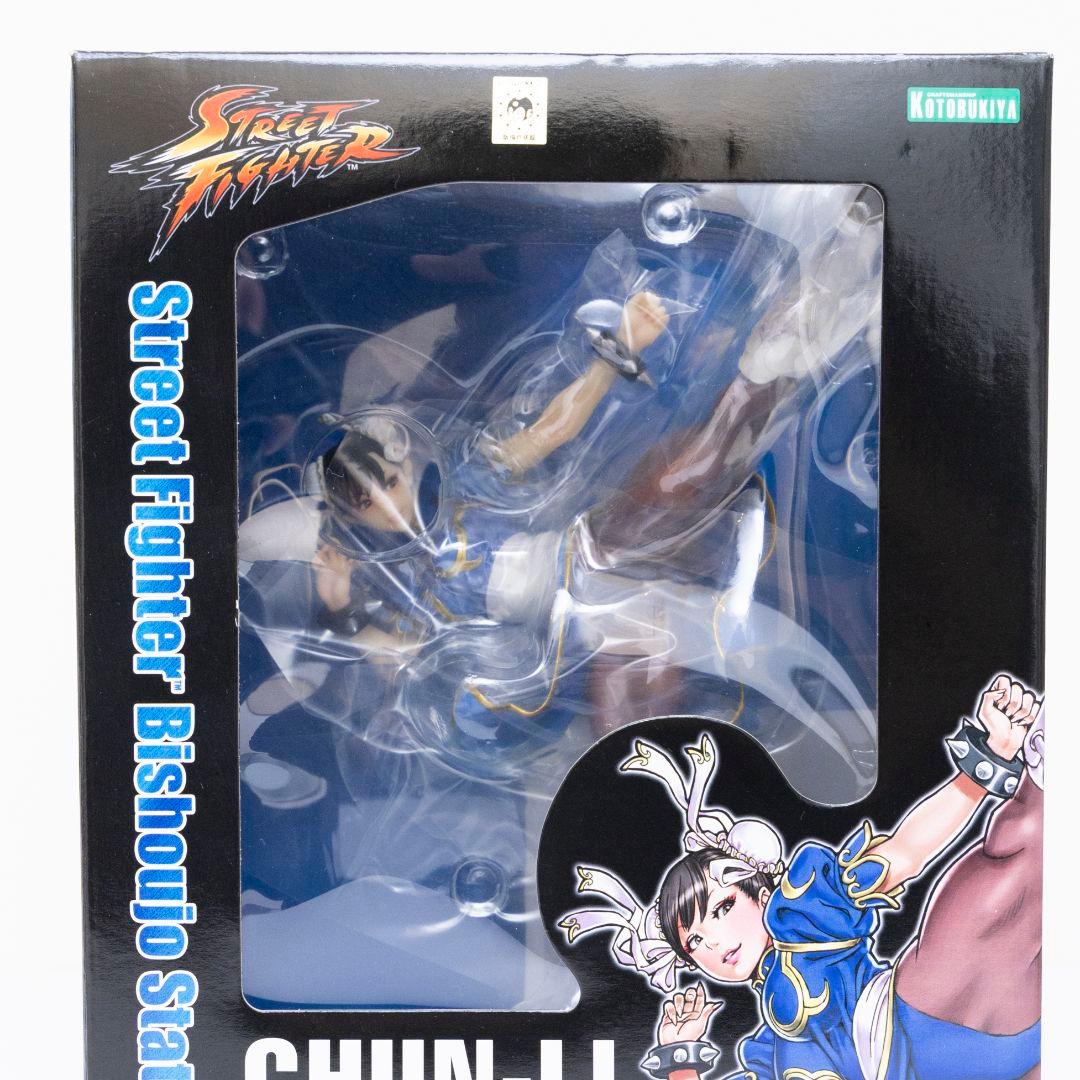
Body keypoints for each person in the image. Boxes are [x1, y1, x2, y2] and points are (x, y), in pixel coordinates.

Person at [289, 198, 882, 780]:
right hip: (579, 629)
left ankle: (769, 368)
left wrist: (618, 349)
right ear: (354, 520)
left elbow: (554, 427)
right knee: (628, 725)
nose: (390, 503)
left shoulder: (468, 483)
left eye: (390, 481)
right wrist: (339, 612)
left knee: (675, 483)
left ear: (403, 465)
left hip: (585, 551)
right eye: (369, 504)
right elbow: (410, 663)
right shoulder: (415, 589)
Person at [558, 673, 1043, 1080]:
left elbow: (904, 853)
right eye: (694, 943)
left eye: (723, 908)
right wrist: (679, 1055)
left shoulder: (805, 910)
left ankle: (1042, 787)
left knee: (1005, 867)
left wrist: (986, 761)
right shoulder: (771, 1052)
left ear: (759, 890)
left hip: (919, 1025)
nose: (714, 944)